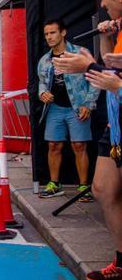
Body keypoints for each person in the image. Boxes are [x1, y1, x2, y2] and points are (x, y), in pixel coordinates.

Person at [52, 0, 122, 280]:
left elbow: (110, 76)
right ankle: (120, 261)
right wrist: (107, 35)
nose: (104, 6)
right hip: (116, 121)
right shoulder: (119, 27)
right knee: (103, 189)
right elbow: (114, 67)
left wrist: (86, 67)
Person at [37, 19, 97, 199]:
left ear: (63, 32)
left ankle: (83, 186)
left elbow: (95, 79)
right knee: (53, 145)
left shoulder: (79, 53)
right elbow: (41, 82)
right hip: (55, 107)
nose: (49, 37)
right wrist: (43, 93)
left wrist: (88, 104)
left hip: (77, 106)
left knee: (79, 145)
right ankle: (54, 183)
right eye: (46, 34)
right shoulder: (45, 60)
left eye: (53, 32)